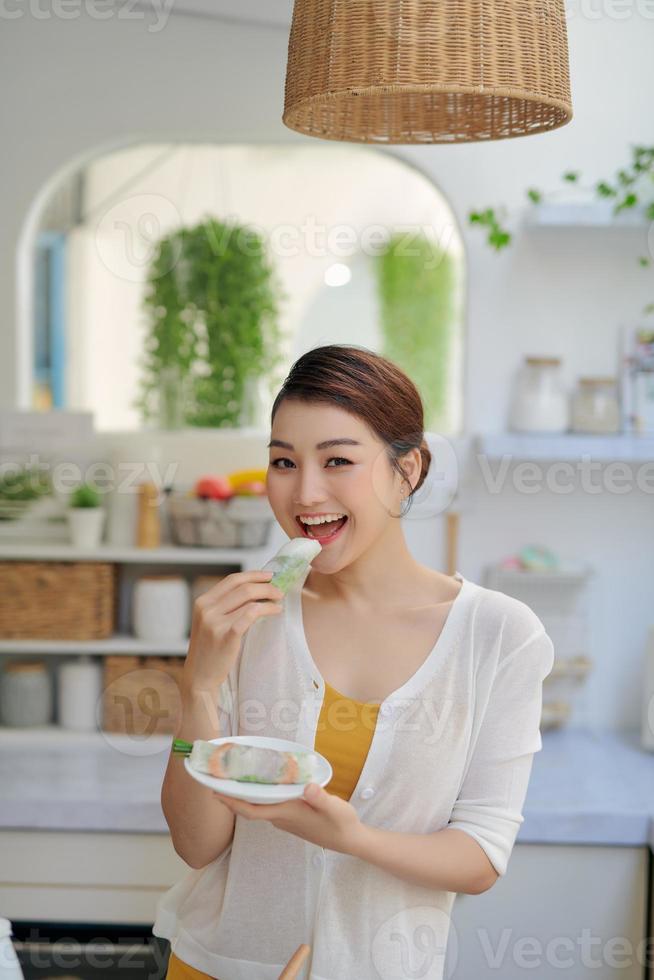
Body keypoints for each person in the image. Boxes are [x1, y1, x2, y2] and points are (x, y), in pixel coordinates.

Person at [154, 344, 555, 980]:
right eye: (283, 462)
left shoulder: (499, 635)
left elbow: (480, 855)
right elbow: (197, 844)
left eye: (338, 459)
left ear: (408, 469)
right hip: (215, 965)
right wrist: (198, 687)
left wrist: (350, 837)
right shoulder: (248, 617)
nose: (305, 492)